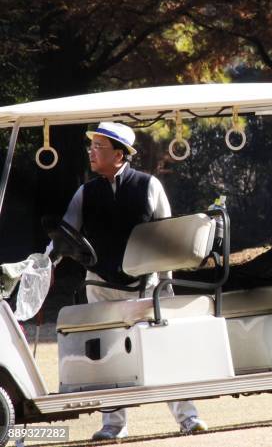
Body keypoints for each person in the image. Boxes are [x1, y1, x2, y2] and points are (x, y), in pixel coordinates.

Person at [56, 122, 207, 440]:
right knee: (106, 355)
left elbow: (166, 237)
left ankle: (189, 418)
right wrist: (45, 261)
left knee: (161, 347)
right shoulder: (85, 192)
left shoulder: (149, 186)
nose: (91, 153)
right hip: (99, 284)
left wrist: (167, 286)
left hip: (144, 286)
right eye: (91, 146)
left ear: (119, 154)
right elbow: (66, 234)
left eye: (99, 147)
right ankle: (113, 425)